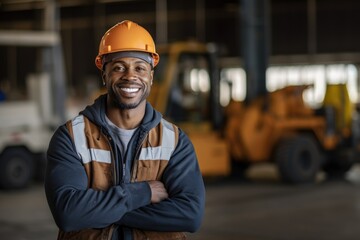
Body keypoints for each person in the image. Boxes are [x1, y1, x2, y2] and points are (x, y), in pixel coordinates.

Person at [44, 20, 206, 240]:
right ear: (104, 74)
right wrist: (143, 193)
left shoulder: (175, 141)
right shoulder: (71, 137)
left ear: (151, 76)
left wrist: (101, 210)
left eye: (140, 68)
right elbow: (69, 214)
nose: (130, 76)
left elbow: (190, 216)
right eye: (119, 67)